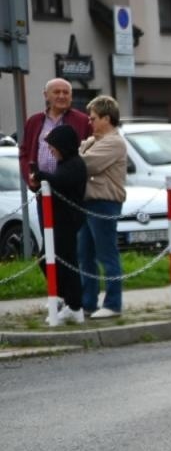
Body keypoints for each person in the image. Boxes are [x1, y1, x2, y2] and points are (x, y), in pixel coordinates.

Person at [78, 96, 128, 319]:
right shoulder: (95, 140)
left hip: (104, 202)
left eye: (94, 118)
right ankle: (88, 302)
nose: (91, 122)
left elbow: (85, 165)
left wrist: (79, 153)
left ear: (107, 118)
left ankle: (113, 303)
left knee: (106, 254)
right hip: (88, 201)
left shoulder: (114, 142)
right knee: (85, 254)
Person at [36, 124, 88, 324]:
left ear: (63, 146)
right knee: (47, 258)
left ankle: (74, 305)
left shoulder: (74, 164)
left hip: (68, 220)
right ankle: (66, 299)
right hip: (58, 220)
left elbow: (62, 182)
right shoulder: (65, 163)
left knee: (66, 261)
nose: (51, 150)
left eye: (53, 147)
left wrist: (42, 176)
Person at [20, 78, 92, 195]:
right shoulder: (34, 121)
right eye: (57, 92)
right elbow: (24, 153)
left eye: (66, 92)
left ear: (71, 96)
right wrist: (30, 177)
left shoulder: (83, 121)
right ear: (46, 95)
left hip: (71, 190)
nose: (62, 96)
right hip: (42, 188)